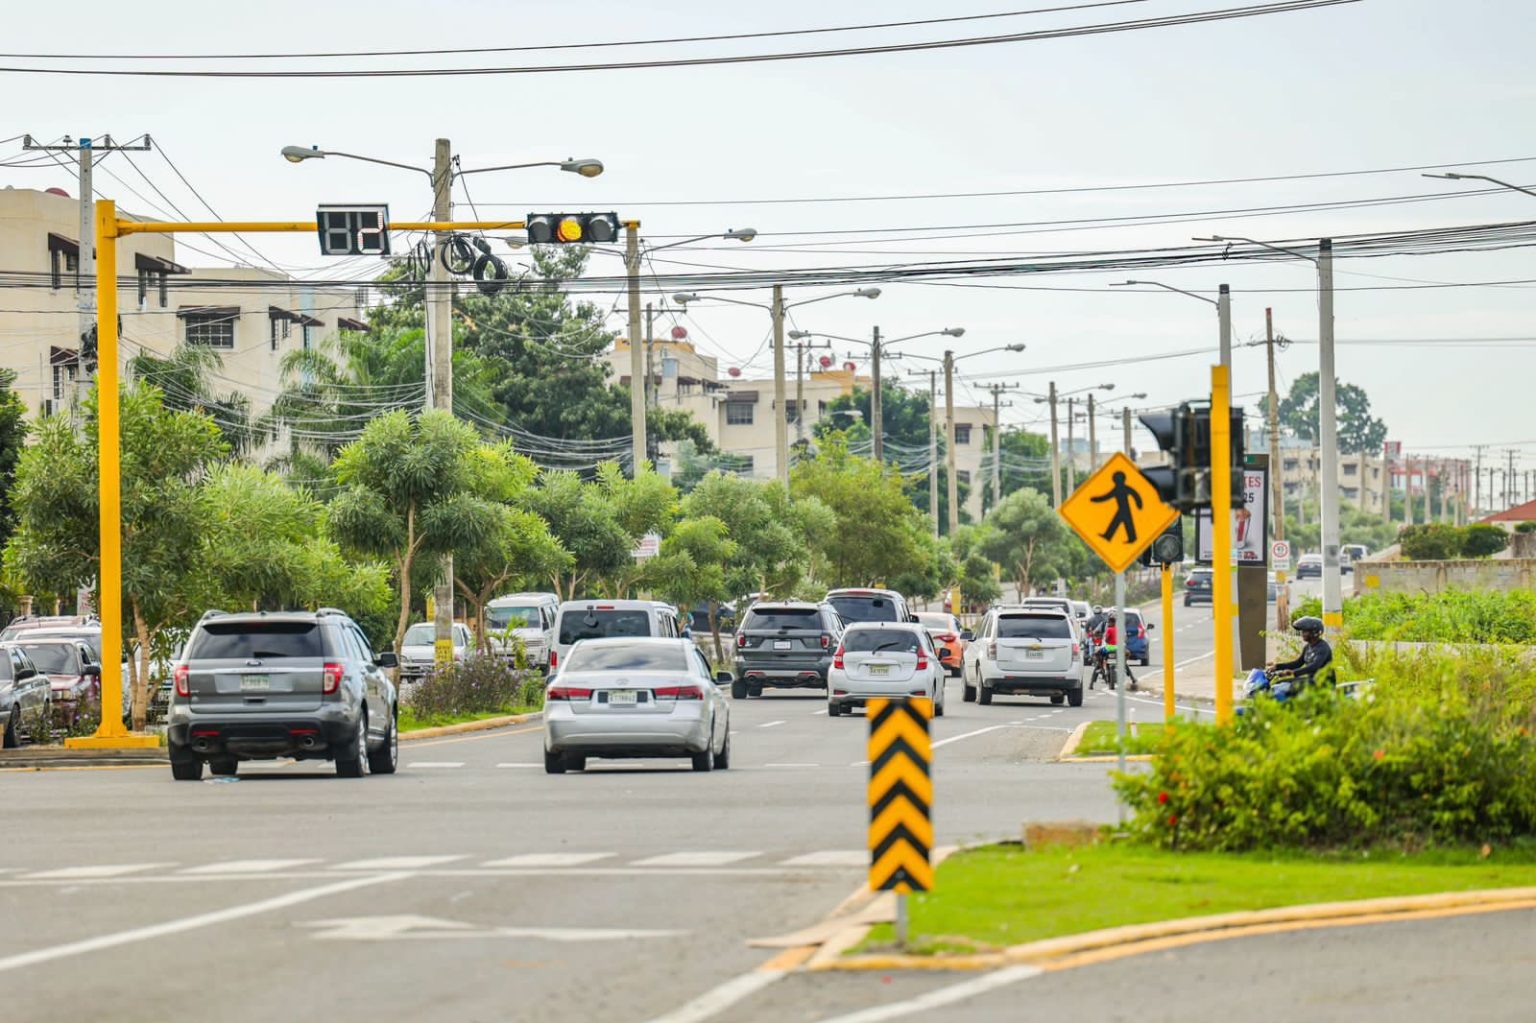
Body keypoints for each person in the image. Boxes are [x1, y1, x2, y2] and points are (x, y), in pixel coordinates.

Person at [1267, 616, 1333, 692]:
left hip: (1323, 682)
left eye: (1305, 631)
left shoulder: (1323, 648)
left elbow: (1314, 666)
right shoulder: (1308, 647)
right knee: (1278, 684)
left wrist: (1293, 672)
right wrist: (1277, 666)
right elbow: (1297, 663)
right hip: (1311, 680)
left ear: (1314, 632)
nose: (1302, 634)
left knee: (1287, 688)